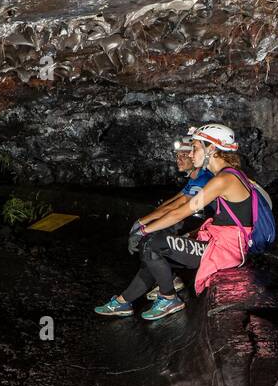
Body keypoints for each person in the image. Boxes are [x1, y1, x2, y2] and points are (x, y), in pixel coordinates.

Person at [94, 123, 254, 321]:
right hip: (217, 243)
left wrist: (143, 230)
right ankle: (123, 301)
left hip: (224, 251)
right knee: (152, 250)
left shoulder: (224, 180)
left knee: (152, 243)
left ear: (211, 149)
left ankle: (169, 297)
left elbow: (181, 212)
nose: (191, 153)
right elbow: (180, 202)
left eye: (195, 148)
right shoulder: (223, 176)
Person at [133, 130, 213, 300]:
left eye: (185, 154)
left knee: (163, 232)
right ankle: (167, 277)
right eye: (178, 155)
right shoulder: (195, 177)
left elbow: (176, 208)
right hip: (205, 225)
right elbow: (170, 203)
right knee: (160, 229)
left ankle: (168, 284)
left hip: (210, 233)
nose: (179, 159)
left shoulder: (204, 178)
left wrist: (142, 225)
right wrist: (146, 221)